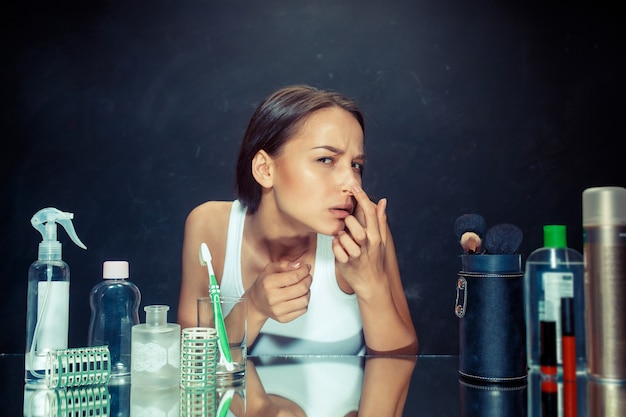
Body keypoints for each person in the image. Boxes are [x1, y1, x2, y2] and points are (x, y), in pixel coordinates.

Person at [177, 84, 418, 355]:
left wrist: (371, 284)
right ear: (265, 169)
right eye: (326, 159)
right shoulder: (210, 226)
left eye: (356, 165)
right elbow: (191, 359)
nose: (351, 183)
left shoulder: (364, 233)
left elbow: (402, 361)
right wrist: (253, 307)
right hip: (242, 400)